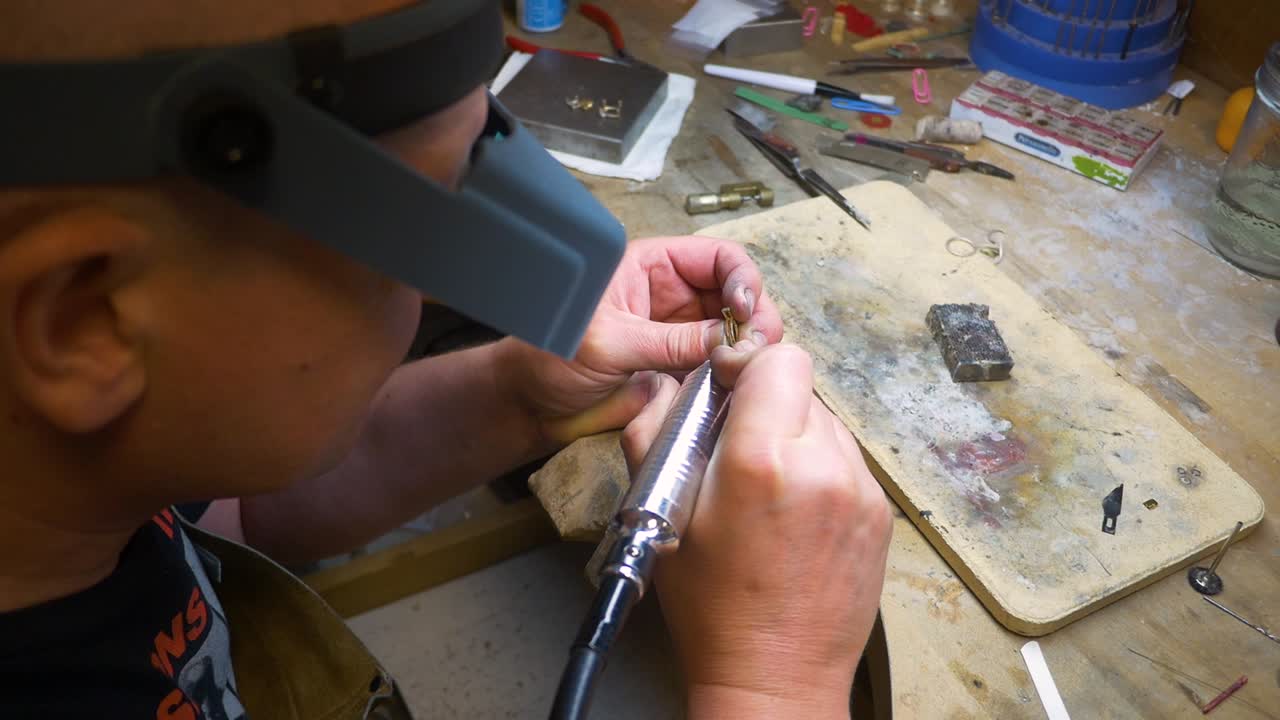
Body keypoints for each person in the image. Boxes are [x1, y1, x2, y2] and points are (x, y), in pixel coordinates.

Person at [0, 1, 892, 718]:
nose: (428, 297)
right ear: (85, 322)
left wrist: (518, 394)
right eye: (408, 252)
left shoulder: (86, 499)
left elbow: (236, 517)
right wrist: (772, 680)